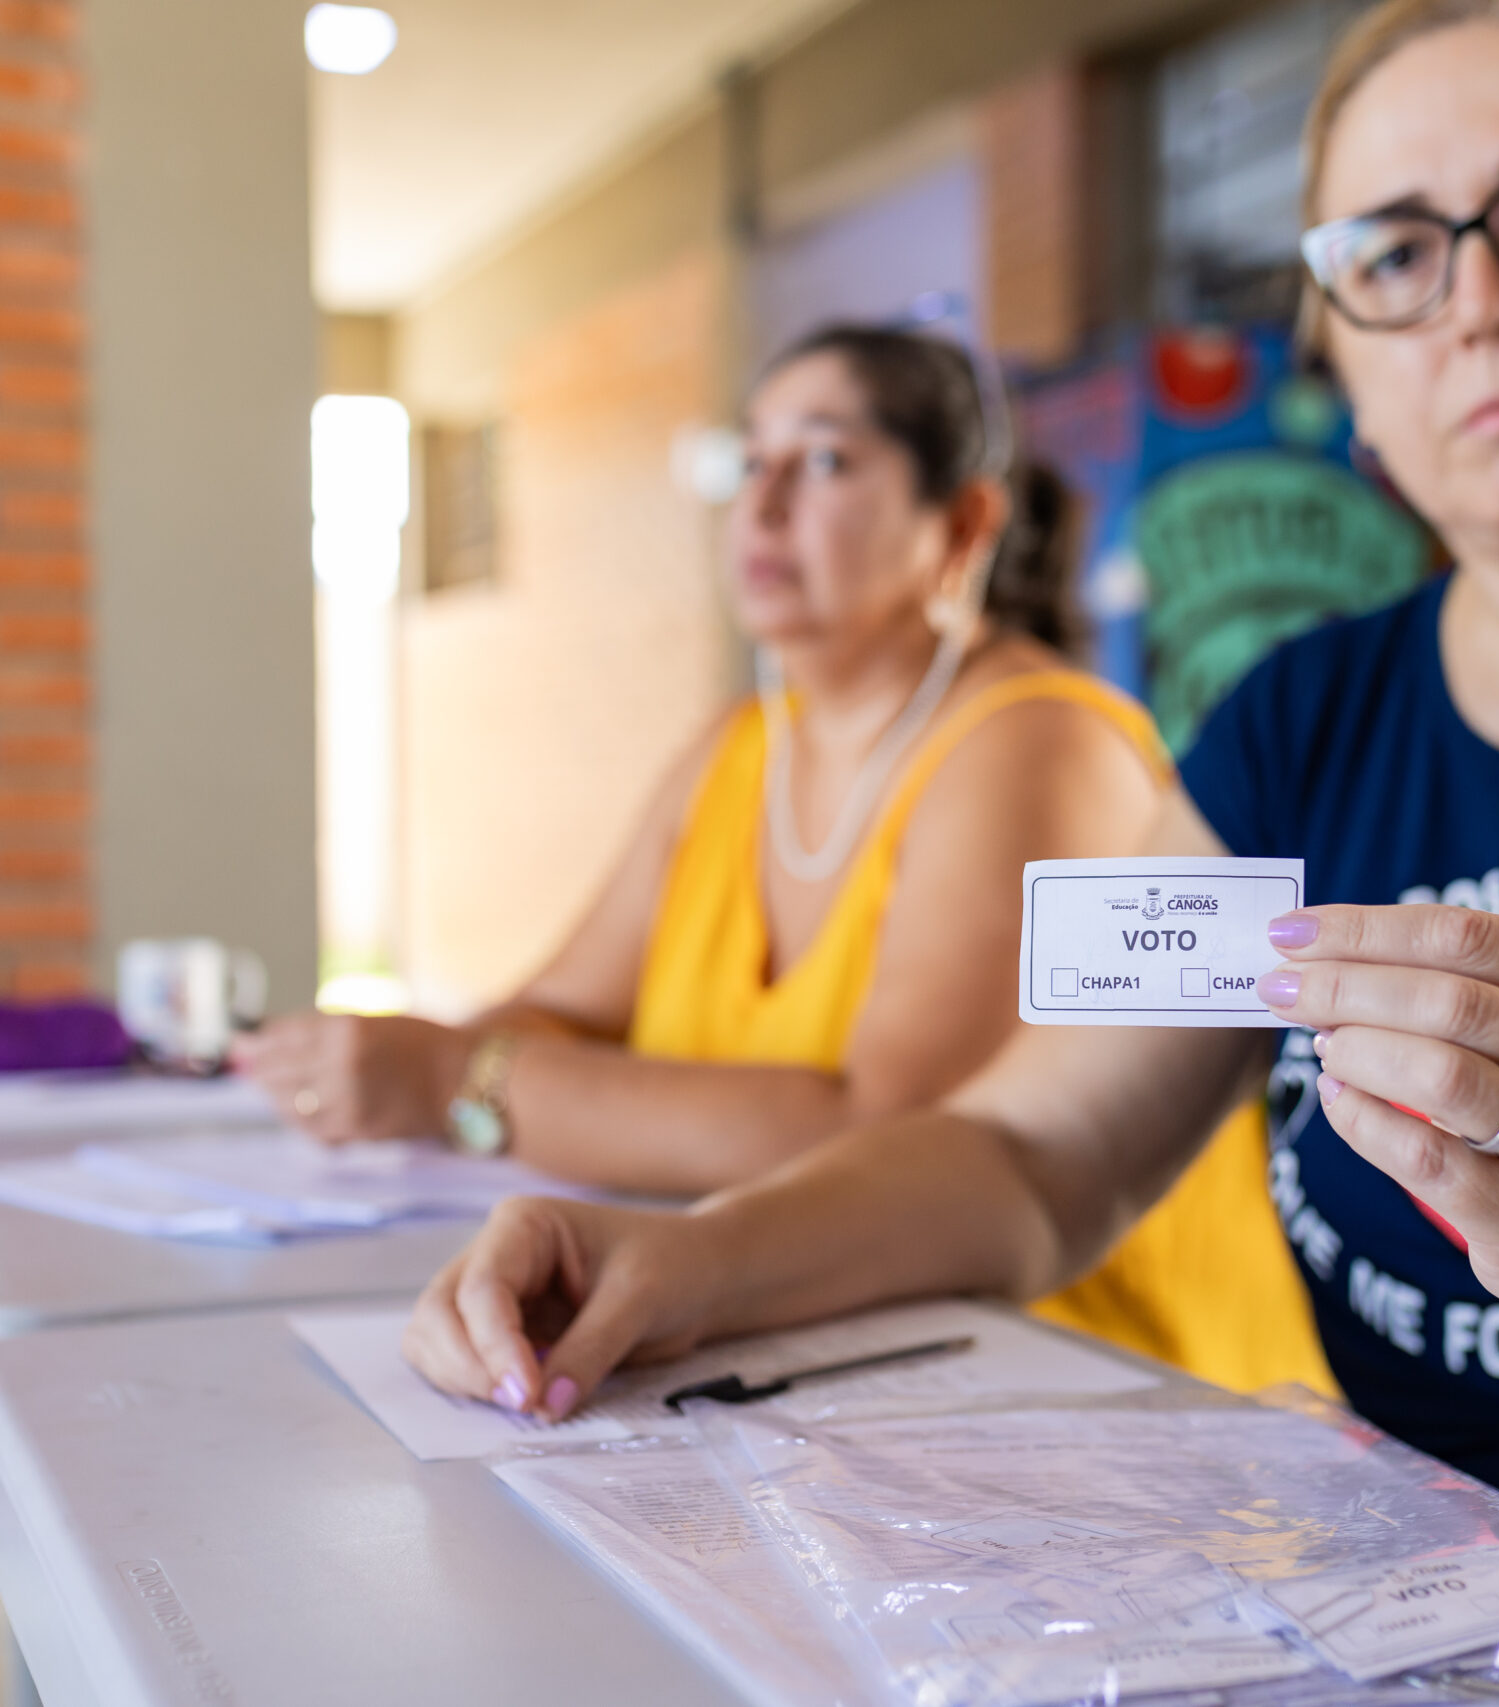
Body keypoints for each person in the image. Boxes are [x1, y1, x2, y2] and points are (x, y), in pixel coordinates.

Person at [397, 1, 1499, 1697]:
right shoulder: (1298, 719)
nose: (1480, 303)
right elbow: (1038, 1154)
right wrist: (687, 1257)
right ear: (1344, 345)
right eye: (1397, 251)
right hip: (1449, 1624)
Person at [236, 325, 1335, 1393]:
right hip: (797, 1351)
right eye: (747, 460)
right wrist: (402, 1067)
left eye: (822, 460)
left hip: (1088, 1384)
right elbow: (561, 1010)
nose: (761, 505)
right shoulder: (735, 750)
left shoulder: (1033, 742)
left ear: (962, 523)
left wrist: (459, 1084)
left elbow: (883, 1131)